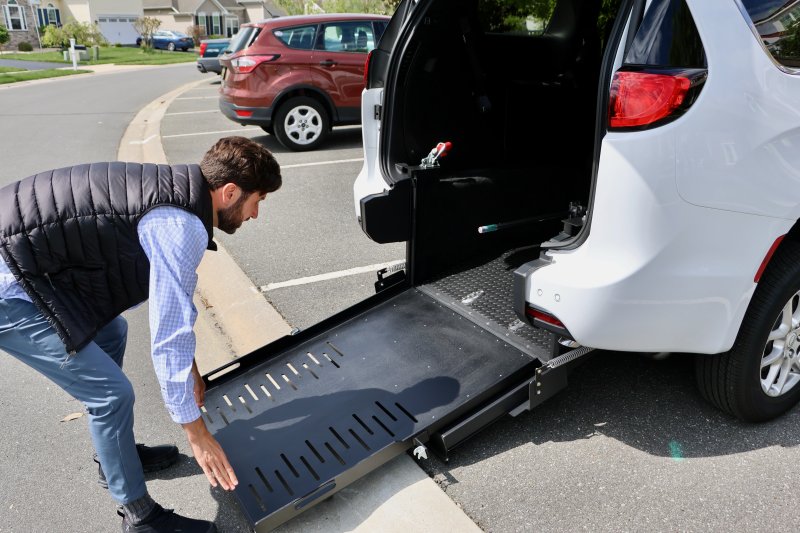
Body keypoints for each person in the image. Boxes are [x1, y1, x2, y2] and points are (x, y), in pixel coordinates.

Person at [0, 136, 282, 532]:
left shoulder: (180, 193)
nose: (255, 215)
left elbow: (172, 301)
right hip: (8, 285)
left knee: (111, 331)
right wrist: (195, 432)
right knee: (110, 394)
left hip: (29, 263)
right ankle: (140, 518)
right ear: (230, 192)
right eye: (258, 202)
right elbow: (168, 333)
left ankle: (116, 456)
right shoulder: (180, 224)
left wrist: (192, 368)